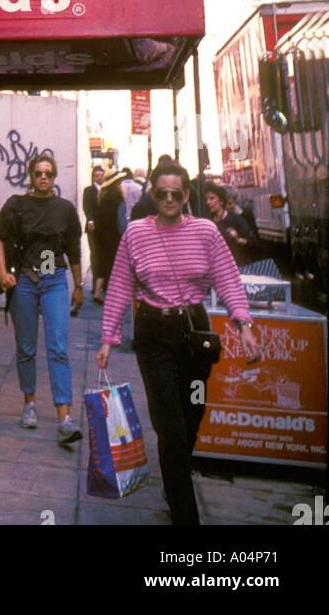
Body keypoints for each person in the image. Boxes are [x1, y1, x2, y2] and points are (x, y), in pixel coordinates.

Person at [97, 160, 261, 526]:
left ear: (186, 195)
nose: (169, 199)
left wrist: (244, 325)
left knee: (192, 415)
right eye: (162, 193)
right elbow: (121, 286)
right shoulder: (136, 233)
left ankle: (175, 476)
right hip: (153, 332)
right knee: (169, 425)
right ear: (152, 194)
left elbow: (228, 280)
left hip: (195, 335)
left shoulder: (206, 232)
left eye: (176, 193)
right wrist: (108, 338)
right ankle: (186, 513)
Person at [0, 151, 84, 445]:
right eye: (38, 173)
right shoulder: (16, 205)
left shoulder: (65, 209)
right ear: (30, 176)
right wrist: (2, 271)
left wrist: (79, 285)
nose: (44, 178)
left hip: (54, 278)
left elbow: (73, 250)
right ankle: (29, 404)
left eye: (49, 173)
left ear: (55, 177)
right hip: (26, 281)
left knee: (58, 346)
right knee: (26, 346)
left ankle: (64, 418)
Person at [202, 182, 259, 268]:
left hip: (238, 267)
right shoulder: (207, 222)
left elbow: (254, 243)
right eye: (206, 199)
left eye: (212, 198)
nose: (208, 202)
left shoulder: (237, 220)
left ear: (221, 201)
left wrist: (242, 241)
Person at [94, 168, 128, 292]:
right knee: (115, 265)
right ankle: (112, 291)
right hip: (114, 236)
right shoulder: (119, 197)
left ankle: (98, 291)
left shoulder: (102, 195)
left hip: (101, 235)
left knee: (103, 263)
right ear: (117, 182)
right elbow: (121, 221)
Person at [82, 164, 106, 303]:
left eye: (101, 175)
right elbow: (87, 206)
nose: (99, 178)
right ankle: (95, 284)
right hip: (93, 228)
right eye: (96, 176)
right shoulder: (89, 191)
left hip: (105, 229)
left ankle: (103, 285)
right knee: (95, 255)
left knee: (104, 255)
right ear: (93, 177)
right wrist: (90, 220)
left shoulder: (107, 190)